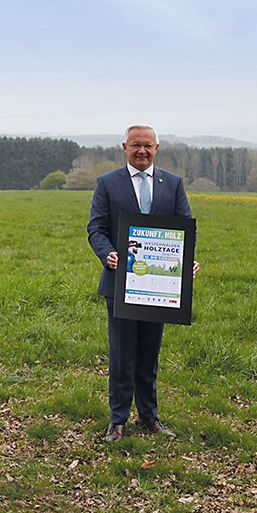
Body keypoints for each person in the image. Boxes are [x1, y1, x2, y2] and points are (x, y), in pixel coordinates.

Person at [88, 125, 199, 442]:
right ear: (124, 147)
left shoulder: (173, 184)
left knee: (150, 354)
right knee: (122, 354)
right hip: (120, 284)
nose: (142, 151)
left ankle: (148, 415)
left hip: (158, 288)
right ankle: (117, 419)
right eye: (136, 145)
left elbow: (183, 229)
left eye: (148, 146)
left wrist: (185, 262)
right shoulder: (107, 183)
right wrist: (108, 254)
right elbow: (95, 229)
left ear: (157, 147)